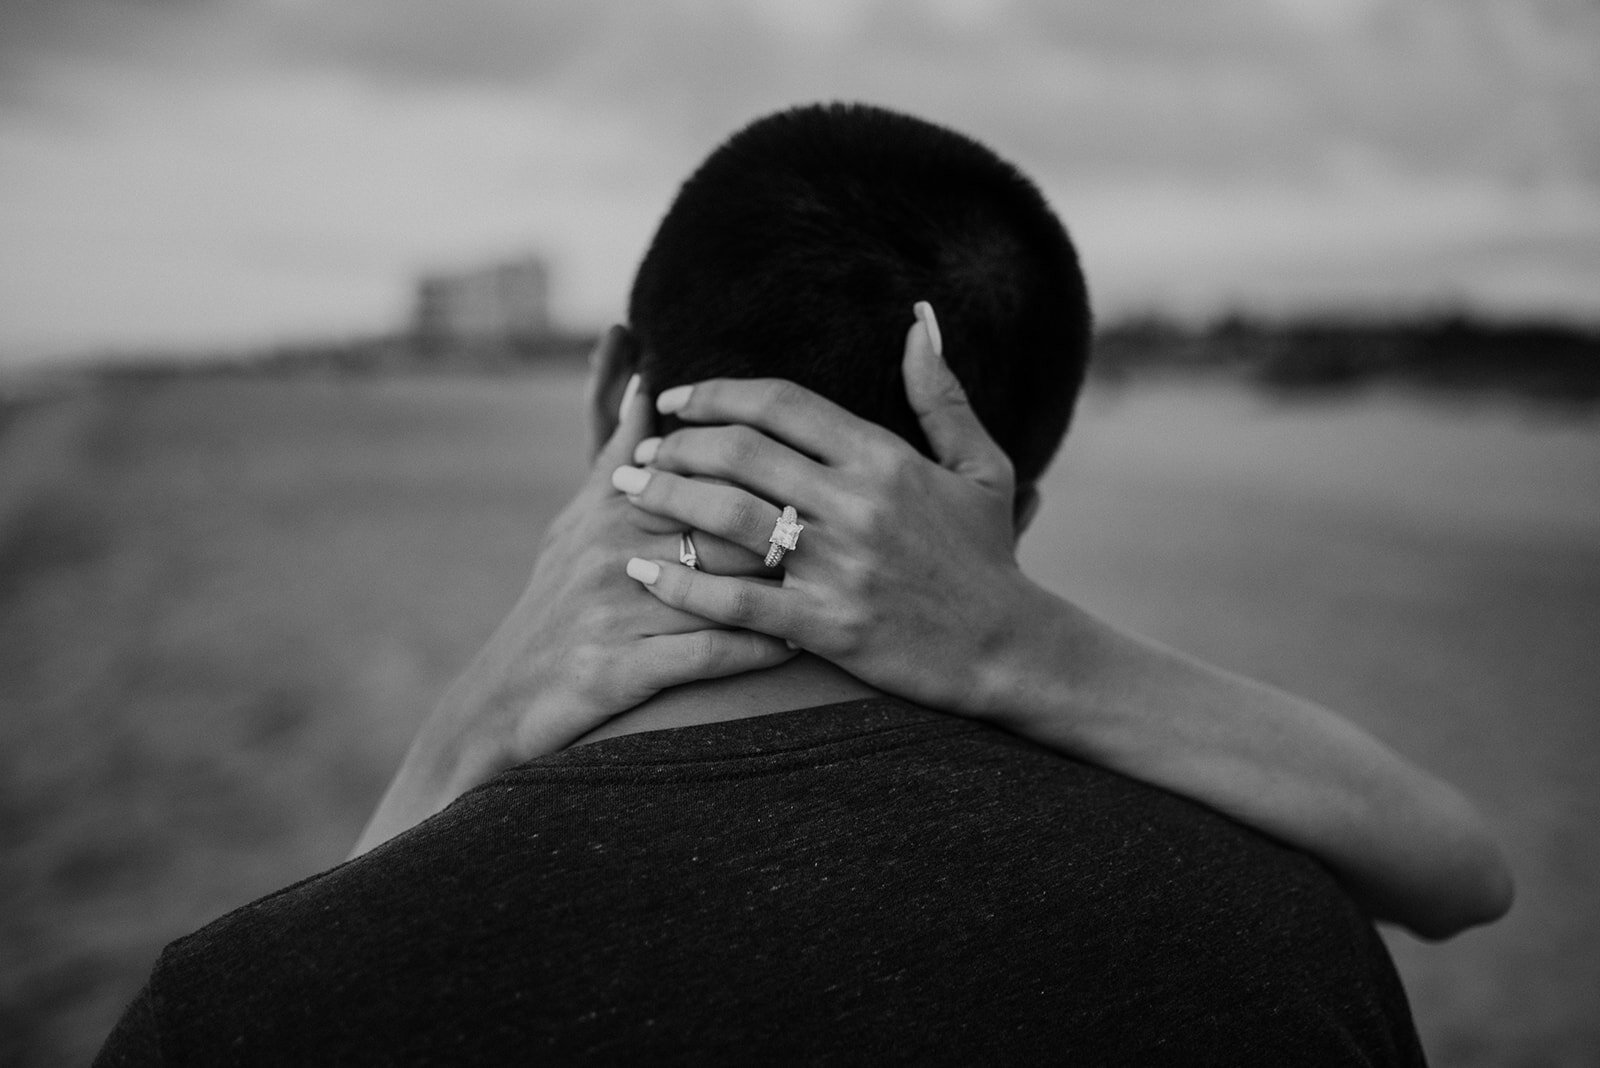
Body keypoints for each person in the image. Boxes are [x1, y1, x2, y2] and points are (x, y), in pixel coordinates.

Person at [96, 103, 1501, 1064]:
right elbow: (1462, 878)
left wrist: (457, 740)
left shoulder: (243, 1009)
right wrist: (1018, 644)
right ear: (1014, 493)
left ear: (609, 394)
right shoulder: (1289, 950)